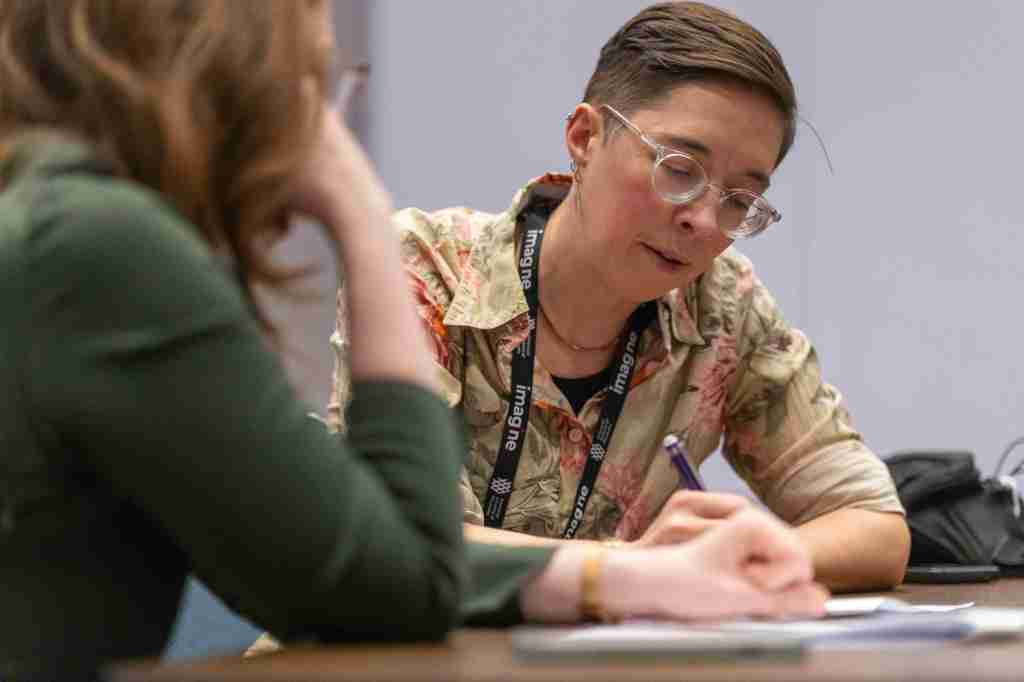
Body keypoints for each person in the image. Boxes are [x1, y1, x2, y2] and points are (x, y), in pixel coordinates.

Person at [0, 0, 825, 678]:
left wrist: (636, 576)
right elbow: (385, 579)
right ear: (230, 72)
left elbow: (338, 555)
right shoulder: (101, 250)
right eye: (313, 80)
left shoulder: (57, 224)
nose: (321, 120)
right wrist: (361, 213)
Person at [328, 1, 910, 592]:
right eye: (679, 169)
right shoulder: (424, 269)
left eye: (739, 200)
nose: (704, 221)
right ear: (585, 138)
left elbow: (874, 527)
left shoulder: (723, 306)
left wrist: (733, 555)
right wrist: (640, 569)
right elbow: (399, 538)